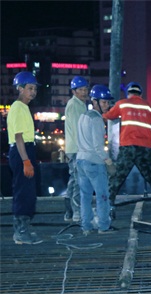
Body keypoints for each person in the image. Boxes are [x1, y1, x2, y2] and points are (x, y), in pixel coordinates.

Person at [102, 82, 151, 220]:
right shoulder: (148, 106)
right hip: (145, 148)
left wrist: (103, 112)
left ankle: (108, 207)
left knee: (117, 178)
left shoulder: (122, 104)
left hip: (128, 147)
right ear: (140, 94)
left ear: (128, 93)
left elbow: (109, 116)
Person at [8, 71, 43, 245]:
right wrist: (26, 161)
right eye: (30, 88)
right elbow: (18, 137)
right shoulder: (18, 108)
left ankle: (24, 229)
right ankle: (21, 231)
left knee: (28, 192)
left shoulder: (24, 107)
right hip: (22, 152)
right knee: (23, 192)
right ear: (20, 89)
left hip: (26, 151)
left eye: (35, 88)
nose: (33, 92)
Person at [77, 85, 117, 235]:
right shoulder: (96, 119)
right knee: (102, 196)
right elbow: (98, 146)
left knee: (85, 197)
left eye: (108, 102)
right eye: (104, 102)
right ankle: (103, 226)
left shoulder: (83, 116)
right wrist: (109, 162)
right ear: (95, 101)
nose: (107, 106)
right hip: (94, 162)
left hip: (81, 161)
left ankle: (86, 226)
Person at [63, 76, 89, 222]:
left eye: (85, 89)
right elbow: (76, 129)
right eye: (81, 89)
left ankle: (69, 212)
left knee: (74, 179)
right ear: (74, 91)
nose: (84, 92)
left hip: (77, 147)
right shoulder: (74, 105)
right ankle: (77, 211)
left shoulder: (81, 104)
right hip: (77, 148)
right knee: (79, 180)